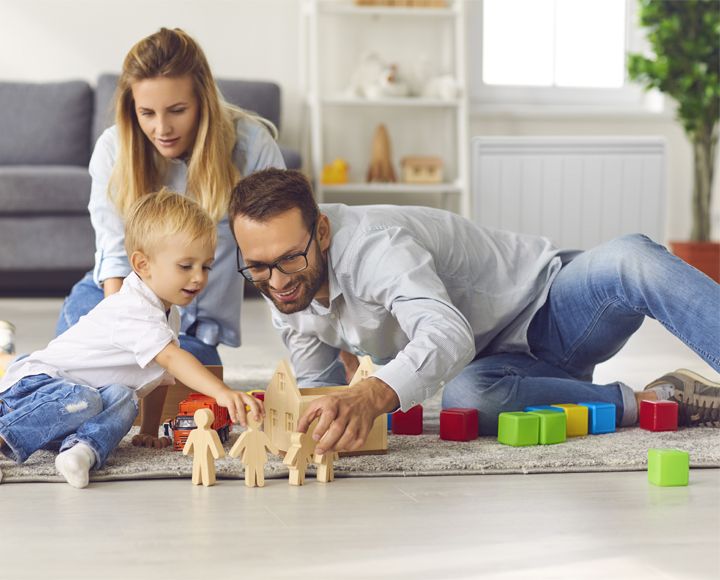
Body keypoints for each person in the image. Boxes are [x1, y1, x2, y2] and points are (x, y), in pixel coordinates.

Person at [228, 168, 720, 455]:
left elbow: (447, 334)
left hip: (553, 309)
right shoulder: (285, 297)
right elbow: (321, 392)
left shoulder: (375, 247)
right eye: (258, 267)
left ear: (324, 232)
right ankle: (654, 399)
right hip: (502, 371)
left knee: (631, 257)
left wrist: (374, 395)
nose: (277, 281)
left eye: (291, 258)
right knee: (465, 398)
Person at [55, 28, 284, 445]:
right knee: (82, 375)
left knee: (188, 386)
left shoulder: (252, 146)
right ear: (132, 109)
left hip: (192, 324)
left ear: (203, 99)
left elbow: (278, 250)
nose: (161, 128)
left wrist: (324, 337)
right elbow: (112, 254)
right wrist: (127, 341)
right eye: (147, 113)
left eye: (177, 109)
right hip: (113, 303)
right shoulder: (113, 149)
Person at [0, 191, 263, 488]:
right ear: (143, 265)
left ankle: (82, 451)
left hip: (73, 409)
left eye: (206, 266)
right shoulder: (133, 308)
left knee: (124, 396)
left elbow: (158, 374)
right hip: (32, 390)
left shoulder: (167, 312)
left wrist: (149, 429)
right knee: (85, 400)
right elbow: (172, 360)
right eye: (186, 266)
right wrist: (221, 392)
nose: (199, 278)